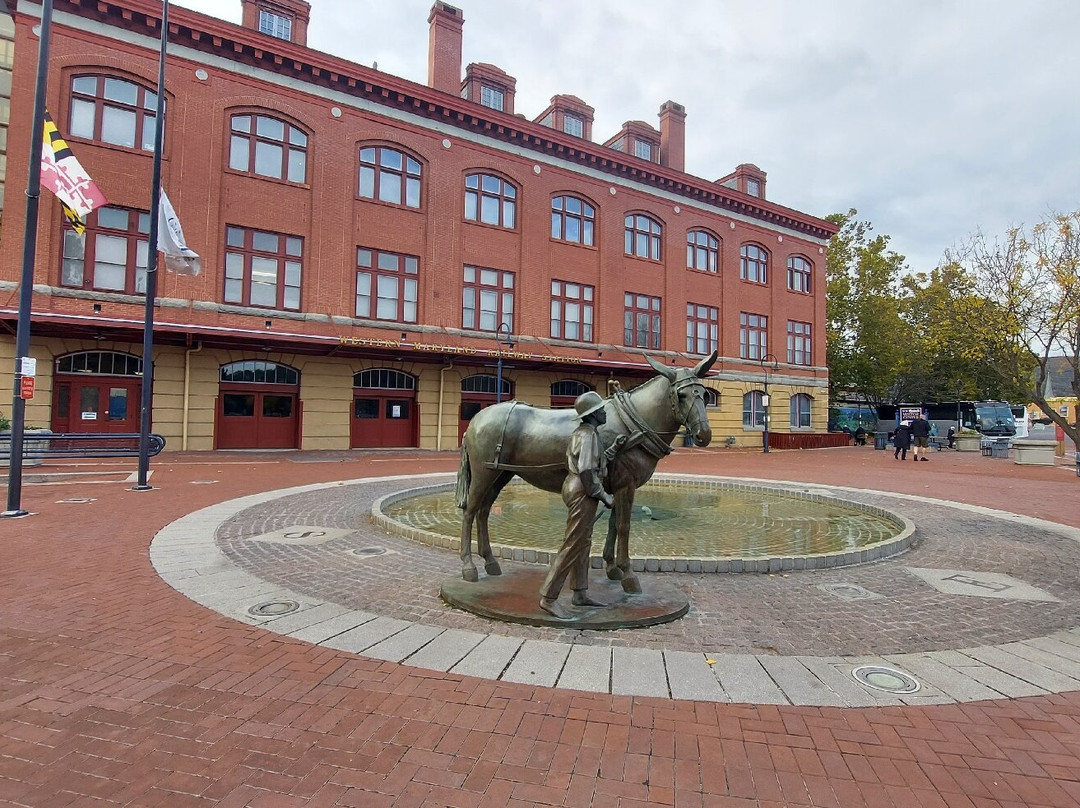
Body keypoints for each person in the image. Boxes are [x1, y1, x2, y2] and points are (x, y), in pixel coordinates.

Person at [539, 391, 615, 620]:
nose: (604, 412)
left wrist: (612, 452)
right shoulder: (588, 435)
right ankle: (548, 597)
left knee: (583, 542)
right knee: (573, 544)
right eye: (601, 409)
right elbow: (586, 471)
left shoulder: (585, 432)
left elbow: (592, 462)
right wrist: (604, 496)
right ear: (593, 415)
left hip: (579, 488)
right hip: (583, 490)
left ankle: (580, 592)